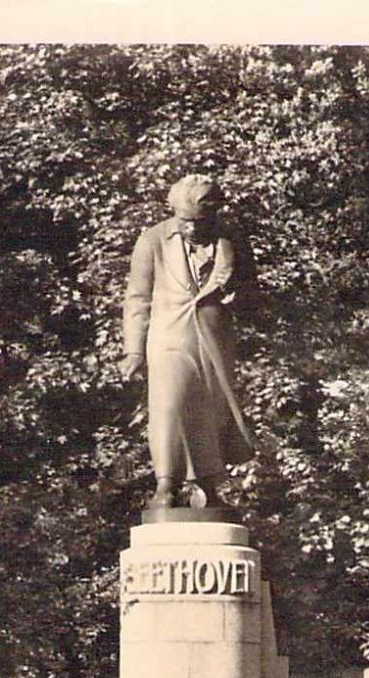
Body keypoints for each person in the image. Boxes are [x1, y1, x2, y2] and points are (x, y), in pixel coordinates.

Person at [121, 174, 255, 511]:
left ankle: (207, 485)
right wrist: (133, 349)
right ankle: (165, 483)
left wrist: (238, 297)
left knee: (209, 410)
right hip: (168, 336)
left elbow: (253, 290)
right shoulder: (152, 240)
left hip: (213, 338)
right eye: (184, 221)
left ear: (214, 215)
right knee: (168, 404)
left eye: (200, 222)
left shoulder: (231, 240)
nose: (192, 229)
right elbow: (137, 298)